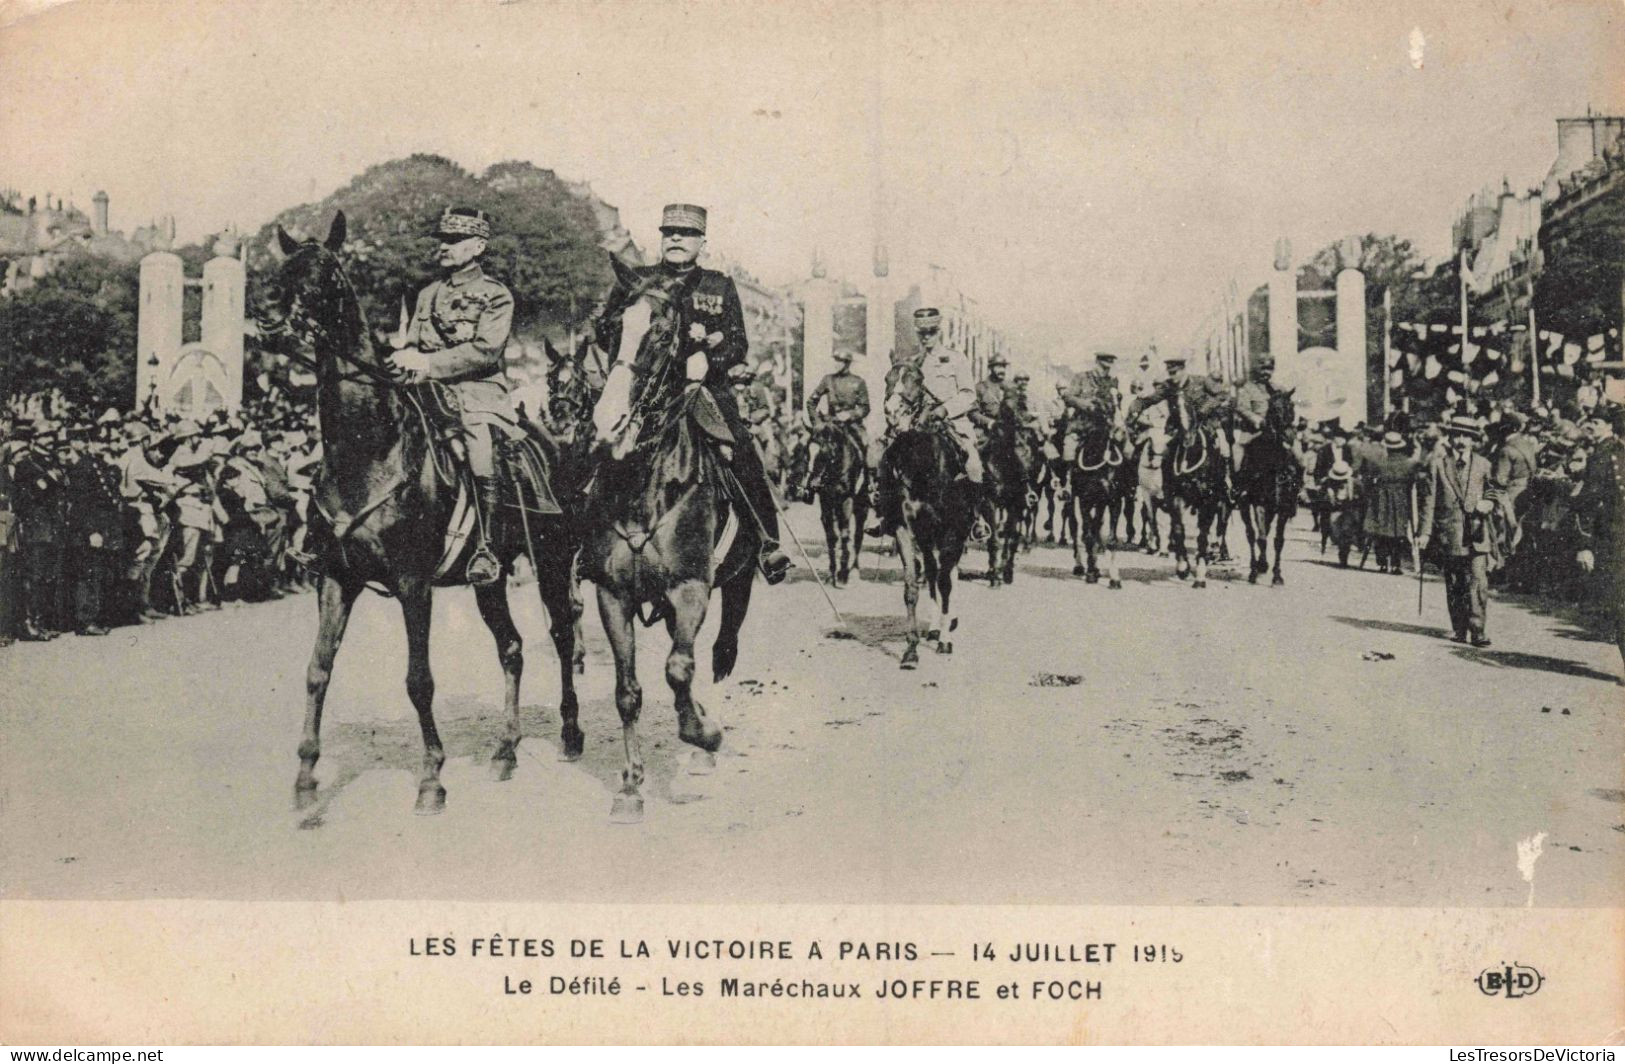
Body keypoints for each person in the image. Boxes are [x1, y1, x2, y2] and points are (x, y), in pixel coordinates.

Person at [595, 203, 790, 583]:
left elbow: (737, 343)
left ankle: (768, 542)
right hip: (644, 390)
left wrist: (707, 359)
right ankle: (579, 543)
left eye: (686, 234)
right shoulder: (637, 279)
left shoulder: (718, 284)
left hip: (704, 389)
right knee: (595, 444)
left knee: (742, 449)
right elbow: (606, 332)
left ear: (703, 241)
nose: (676, 240)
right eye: (669, 233)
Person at [386, 206, 516, 586]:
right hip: (426, 392)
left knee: (478, 446)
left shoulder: (495, 295)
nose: (444, 247)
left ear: (478, 246)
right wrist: (401, 360)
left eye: (454, 241)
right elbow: (411, 345)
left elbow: (485, 351)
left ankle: (487, 547)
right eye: (442, 240)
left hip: (477, 393)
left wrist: (427, 364)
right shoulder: (428, 294)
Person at [1416, 415, 1502, 647]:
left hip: (1477, 532)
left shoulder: (1484, 464)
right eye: (1457, 435)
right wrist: (1424, 533)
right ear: (1451, 438)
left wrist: (1489, 503)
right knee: (1455, 583)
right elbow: (1429, 500)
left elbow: (1494, 490)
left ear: (1474, 440)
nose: (1461, 440)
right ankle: (1459, 628)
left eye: (1467, 436)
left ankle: (1478, 630)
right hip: (1450, 532)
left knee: (1478, 581)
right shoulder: (1438, 463)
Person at [1573, 404, 1625, 676]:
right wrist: (1585, 545)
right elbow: (1588, 504)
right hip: (1616, 542)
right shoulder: (1606, 458)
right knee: (1621, 603)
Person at [912, 307, 982, 483]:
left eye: (931, 332)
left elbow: (968, 394)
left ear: (939, 332)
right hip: (920, 424)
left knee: (973, 467)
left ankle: (974, 509)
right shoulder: (913, 363)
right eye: (922, 333)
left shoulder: (956, 359)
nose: (926, 337)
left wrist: (945, 409)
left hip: (953, 425)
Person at [799, 346, 870, 497]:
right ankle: (807, 485)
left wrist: (850, 414)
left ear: (847, 363)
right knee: (811, 446)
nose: (837, 364)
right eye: (836, 361)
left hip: (852, 425)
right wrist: (817, 422)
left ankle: (867, 486)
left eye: (841, 361)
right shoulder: (827, 380)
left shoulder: (858, 382)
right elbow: (811, 402)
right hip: (830, 423)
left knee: (866, 446)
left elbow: (865, 407)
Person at [1359, 430, 1422, 574]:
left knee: (1380, 530)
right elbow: (1414, 480)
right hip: (1401, 500)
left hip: (1381, 498)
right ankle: (1396, 563)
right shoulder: (1408, 463)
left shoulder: (1378, 462)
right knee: (1398, 530)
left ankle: (1382, 563)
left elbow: (1367, 480)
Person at [1232, 353, 1283, 473]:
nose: (1266, 372)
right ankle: (1238, 484)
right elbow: (1241, 407)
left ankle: (1306, 481)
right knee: (1238, 453)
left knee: (1298, 454)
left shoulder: (1278, 388)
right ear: (1257, 369)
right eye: (1263, 369)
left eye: (1270, 369)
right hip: (1254, 431)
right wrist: (1256, 418)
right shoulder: (1248, 388)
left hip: (1277, 431)